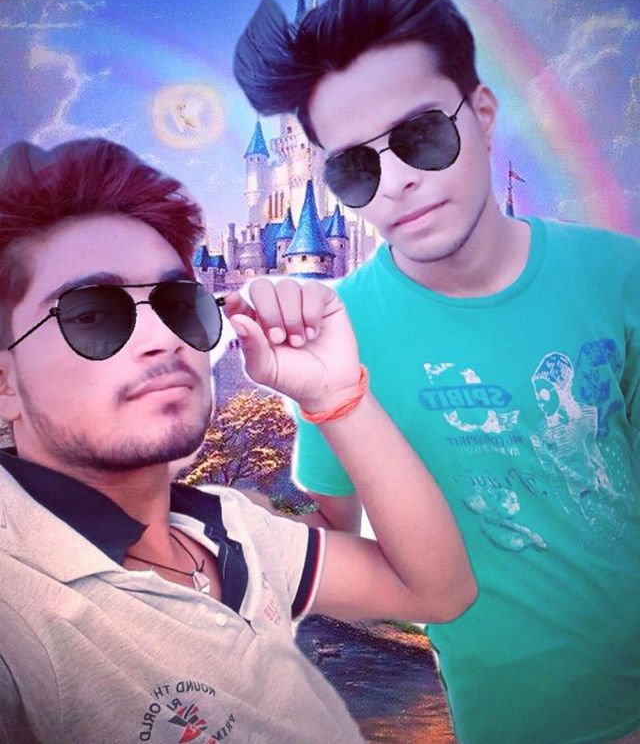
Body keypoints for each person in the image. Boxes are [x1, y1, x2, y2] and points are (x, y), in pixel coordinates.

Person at [233, 0, 640, 744]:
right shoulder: (339, 332)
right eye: (355, 166)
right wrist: (240, 527)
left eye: (421, 135)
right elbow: (338, 534)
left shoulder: (620, 277)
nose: (396, 183)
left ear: (482, 114)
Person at [0, 138, 476, 743]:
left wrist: (336, 397)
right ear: (4, 382)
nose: (164, 338)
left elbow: (438, 590)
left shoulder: (228, 527)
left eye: (179, 303)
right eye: (91, 313)